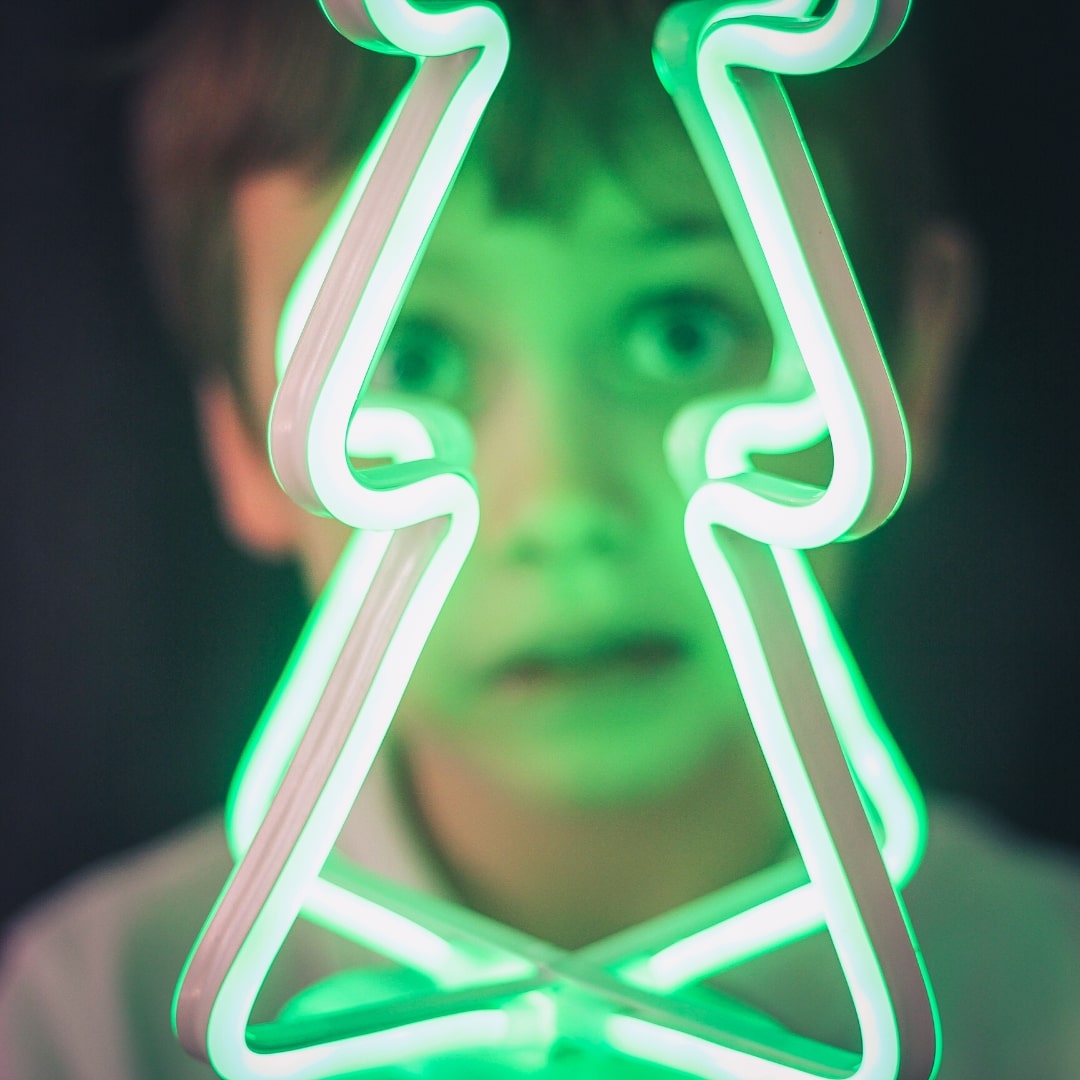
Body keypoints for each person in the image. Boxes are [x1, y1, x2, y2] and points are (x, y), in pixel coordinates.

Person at [1, 0, 1078, 1076]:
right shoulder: (87, 1022)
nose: (564, 505)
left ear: (902, 370)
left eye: (682, 330)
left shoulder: (1051, 1006)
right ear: (245, 438)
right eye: (408, 354)